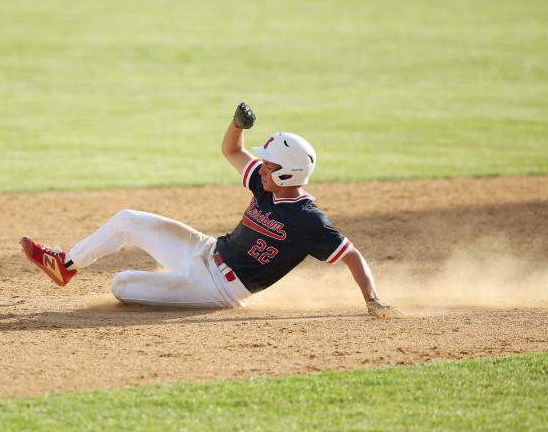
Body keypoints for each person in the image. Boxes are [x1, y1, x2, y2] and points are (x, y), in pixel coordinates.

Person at [21, 103, 400, 318]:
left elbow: (351, 255)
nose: (262, 166)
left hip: (217, 288)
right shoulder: (267, 187)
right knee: (126, 220)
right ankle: (64, 265)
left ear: (288, 173)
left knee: (120, 283)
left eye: (269, 164)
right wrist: (237, 125)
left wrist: (372, 299)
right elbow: (232, 151)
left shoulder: (308, 220)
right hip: (205, 250)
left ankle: (173, 284)